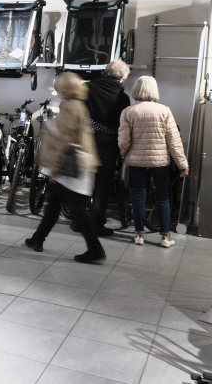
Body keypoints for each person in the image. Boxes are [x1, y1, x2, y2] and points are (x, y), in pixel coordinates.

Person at [26, 72, 104, 263]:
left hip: (69, 167)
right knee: (54, 206)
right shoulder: (78, 104)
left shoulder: (69, 106)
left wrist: (55, 168)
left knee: (77, 210)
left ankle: (95, 249)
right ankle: (37, 239)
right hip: (78, 163)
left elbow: (65, 139)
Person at [119, 75, 189, 248]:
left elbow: (123, 140)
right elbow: (174, 141)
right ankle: (165, 236)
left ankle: (139, 234)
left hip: (136, 161)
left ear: (137, 89)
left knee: (138, 195)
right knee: (163, 197)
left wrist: (124, 154)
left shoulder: (128, 112)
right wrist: (183, 164)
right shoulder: (164, 111)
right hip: (160, 162)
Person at [83, 59, 131, 236]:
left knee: (84, 179)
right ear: (122, 79)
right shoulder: (123, 98)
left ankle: (79, 220)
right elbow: (122, 125)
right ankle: (96, 223)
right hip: (108, 143)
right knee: (103, 183)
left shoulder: (87, 88)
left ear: (105, 72)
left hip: (85, 138)